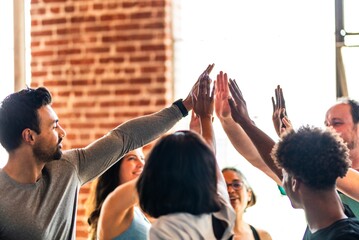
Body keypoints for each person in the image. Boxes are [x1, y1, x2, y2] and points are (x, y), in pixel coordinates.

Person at [0, 64, 212, 239]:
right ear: (29, 136)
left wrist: (183, 107)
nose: (62, 132)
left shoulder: (68, 168)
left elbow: (123, 138)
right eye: (54, 127)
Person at [227, 79, 359, 239]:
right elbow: (263, 159)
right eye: (326, 123)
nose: (329, 128)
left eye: (337, 122)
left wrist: (291, 142)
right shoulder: (334, 214)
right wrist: (241, 122)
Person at [136, 68, 235, 239]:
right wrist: (206, 118)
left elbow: (210, 166)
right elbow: (213, 170)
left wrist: (203, 122)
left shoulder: (164, 230)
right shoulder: (222, 215)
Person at [86, 148, 148, 240]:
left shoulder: (134, 209)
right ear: (114, 167)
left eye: (142, 158)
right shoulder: (113, 204)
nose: (142, 164)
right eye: (132, 158)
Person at [222, 167, 272, 240]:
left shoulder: (263, 236)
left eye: (236, 185)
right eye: (223, 186)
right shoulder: (206, 234)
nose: (230, 190)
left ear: (249, 194)